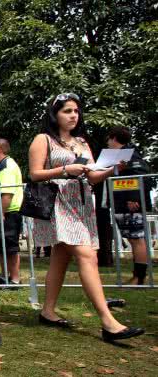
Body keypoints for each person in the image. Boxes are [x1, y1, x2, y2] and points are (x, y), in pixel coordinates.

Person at [30, 93, 143, 342]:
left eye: (76, 111)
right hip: (58, 204)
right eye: (67, 111)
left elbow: (91, 176)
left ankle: (47, 311)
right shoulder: (43, 139)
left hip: (81, 204)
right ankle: (108, 322)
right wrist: (64, 169)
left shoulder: (82, 142)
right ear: (55, 114)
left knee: (60, 258)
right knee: (87, 254)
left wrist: (113, 169)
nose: (73, 115)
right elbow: (35, 174)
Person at [106, 126, 153, 285]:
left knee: (137, 239)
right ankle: (137, 276)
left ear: (113, 138)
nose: (108, 143)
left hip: (130, 204)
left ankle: (139, 277)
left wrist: (133, 198)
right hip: (122, 202)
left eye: (109, 139)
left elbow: (139, 175)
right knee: (133, 239)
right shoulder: (122, 155)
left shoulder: (130, 155)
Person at [0, 139, 24, 287]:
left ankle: (14, 279)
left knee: (10, 247)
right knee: (1, 246)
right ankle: (4, 276)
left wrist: (1, 213)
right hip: (0, 213)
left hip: (8, 213)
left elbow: (7, 193)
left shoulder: (7, 166)